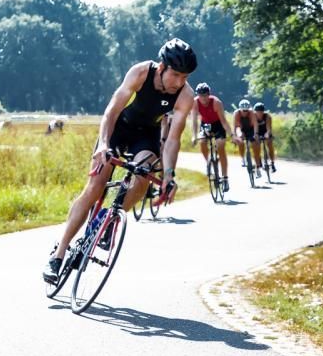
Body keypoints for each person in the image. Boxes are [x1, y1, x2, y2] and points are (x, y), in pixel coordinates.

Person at [43, 38, 198, 284]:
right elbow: (112, 111)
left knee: (144, 175)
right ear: (161, 67)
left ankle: (108, 219)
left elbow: (172, 140)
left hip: (146, 135)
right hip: (119, 128)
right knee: (94, 187)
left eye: (185, 77)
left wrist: (169, 174)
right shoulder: (140, 73)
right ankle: (59, 253)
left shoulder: (185, 95)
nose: (180, 82)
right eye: (176, 75)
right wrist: (104, 143)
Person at [190, 83, 235, 192]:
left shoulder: (216, 102)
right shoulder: (195, 102)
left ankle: (225, 178)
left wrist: (232, 135)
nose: (203, 98)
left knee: (221, 147)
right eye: (201, 95)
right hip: (205, 125)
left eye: (205, 95)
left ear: (209, 94)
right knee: (202, 142)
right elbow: (194, 121)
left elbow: (224, 121)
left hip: (218, 125)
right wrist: (194, 135)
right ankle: (209, 162)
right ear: (198, 95)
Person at [232, 98, 262, 174]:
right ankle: (242, 158)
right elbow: (235, 126)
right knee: (240, 140)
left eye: (246, 110)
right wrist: (235, 136)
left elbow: (255, 124)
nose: (245, 112)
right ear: (240, 109)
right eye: (243, 110)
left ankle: (258, 165)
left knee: (255, 145)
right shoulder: (236, 113)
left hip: (250, 129)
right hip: (241, 129)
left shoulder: (252, 113)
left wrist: (256, 134)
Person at [252, 101, 277, 173]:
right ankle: (258, 161)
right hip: (257, 132)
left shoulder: (267, 116)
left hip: (265, 131)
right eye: (258, 112)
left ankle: (272, 163)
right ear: (255, 112)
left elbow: (269, 128)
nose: (259, 113)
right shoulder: (253, 117)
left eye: (261, 112)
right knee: (256, 146)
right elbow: (252, 127)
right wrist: (255, 134)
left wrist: (267, 134)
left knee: (270, 144)